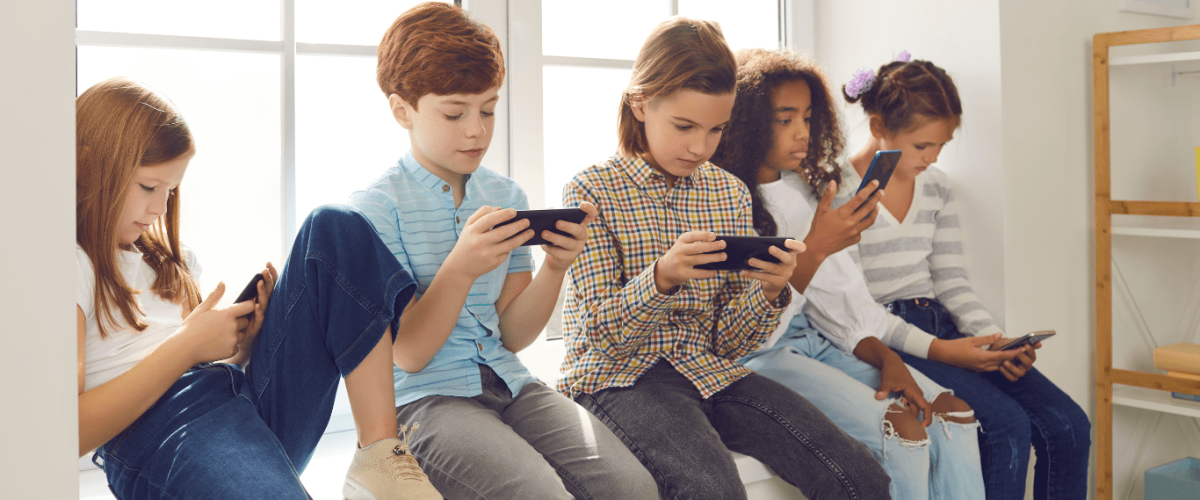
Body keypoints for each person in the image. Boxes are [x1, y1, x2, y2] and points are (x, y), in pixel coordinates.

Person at [558, 18, 892, 500]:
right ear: (640, 103)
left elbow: (730, 342)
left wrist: (770, 291)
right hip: (620, 378)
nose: (700, 147)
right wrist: (662, 278)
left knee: (859, 477)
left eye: (716, 129)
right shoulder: (590, 190)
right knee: (712, 492)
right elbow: (598, 338)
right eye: (684, 126)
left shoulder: (727, 192)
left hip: (710, 369)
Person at [347, 3, 658, 499]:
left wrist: (556, 266)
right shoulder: (374, 209)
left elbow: (512, 336)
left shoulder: (507, 197)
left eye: (488, 109)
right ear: (401, 110)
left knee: (633, 488)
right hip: (426, 402)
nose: (477, 129)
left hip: (511, 383)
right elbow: (408, 353)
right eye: (455, 113)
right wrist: (461, 268)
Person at [77, 77, 440, 500]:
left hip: (236, 401)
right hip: (162, 433)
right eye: (147, 187)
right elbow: (67, 431)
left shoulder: (170, 261)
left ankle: (379, 457)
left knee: (333, 228)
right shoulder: (71, 264)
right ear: (87, 167)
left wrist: (239, 349)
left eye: (170, 192)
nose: (159, 209)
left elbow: (199, 368)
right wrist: (188, 346)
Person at [710, 48, 985, 500]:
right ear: (747, 121)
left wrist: (888, 358)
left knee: (952, 414)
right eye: (785, 119)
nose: (803, 132)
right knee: (905, 430)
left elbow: (843, 305)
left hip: (822, 344)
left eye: (808, 116)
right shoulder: (726, 202)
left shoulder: (802, 194)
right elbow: (750, 337)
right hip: (764, 355)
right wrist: (814, 250)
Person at [838, 55, 1091, 500]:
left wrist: (993, 340)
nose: (932, 157)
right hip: (893, 339)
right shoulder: (838, 190)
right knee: (1004, 426)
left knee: (1069, 424)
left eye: (942, 145)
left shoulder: (937, 187)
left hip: (943, 325)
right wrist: (952, 353)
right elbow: (857, 309)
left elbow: (951, 280)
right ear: (878, 126)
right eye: (922, 146)